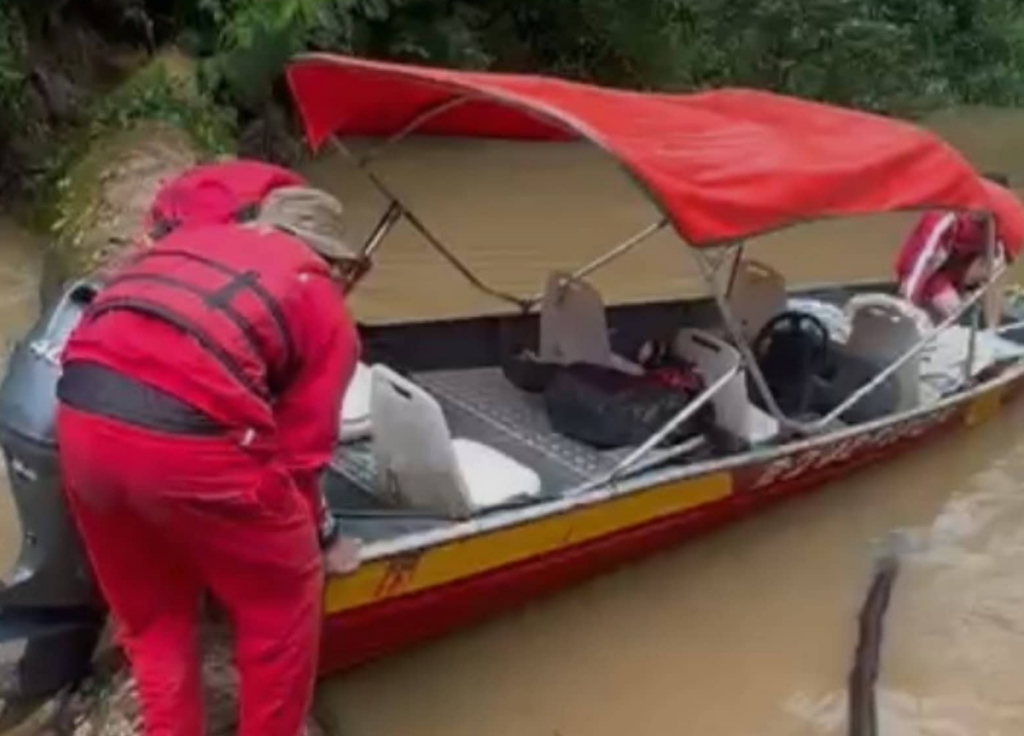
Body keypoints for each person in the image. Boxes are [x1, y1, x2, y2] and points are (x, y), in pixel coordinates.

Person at [55, 182, 370, 736]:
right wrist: (321, 541)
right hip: (187, 443)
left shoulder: (190, 243)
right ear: (333, 261)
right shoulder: (319, 300)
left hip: (81, 421)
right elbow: (299, 462)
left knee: (154, 623)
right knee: (282, 606)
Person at [895, 174, 1010, 323]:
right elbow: (923, 260)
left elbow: (994, 267)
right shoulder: (944, 217)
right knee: (954, 309)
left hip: (955, 273)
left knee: (997, 264)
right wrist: (908, 304)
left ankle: (990, 324)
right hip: (928, 275)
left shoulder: (992, 225)